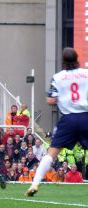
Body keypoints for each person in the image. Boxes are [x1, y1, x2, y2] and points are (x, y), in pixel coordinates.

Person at [26, 48, 88, 196]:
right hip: (85, 116)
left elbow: (51, 100)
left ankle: (35, 184)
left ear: (63, 61)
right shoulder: (86, 74)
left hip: (68, 119)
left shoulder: (58, 77)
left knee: (52, 153)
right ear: (77, 58)